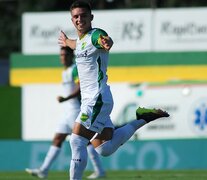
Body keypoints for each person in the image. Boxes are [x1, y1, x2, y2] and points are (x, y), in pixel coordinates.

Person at [58, 1, 170, 179]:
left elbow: (103, 40)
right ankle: (142, 119)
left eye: (84, 15)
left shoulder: (96, 35)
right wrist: (66, 41)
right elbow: (76, 45)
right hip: (94, 101)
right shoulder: (79, 42)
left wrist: (107, 41)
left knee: (76, 140)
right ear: (72, 20)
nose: (80, 19)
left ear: (91, 17)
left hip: (97, 99)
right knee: (104, 148)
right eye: (76, 16)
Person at [25, 47, 106, 179]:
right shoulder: (65, 72)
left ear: (71, 56)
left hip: (75, 110)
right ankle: (44, 170)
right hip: (67, 112)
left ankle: (100, 170)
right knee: (58, 139)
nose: (62, 57)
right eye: (61, 55)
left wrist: (66, 98)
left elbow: (81, 87)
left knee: (86, 140)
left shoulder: (74, 69)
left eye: (65, 54)